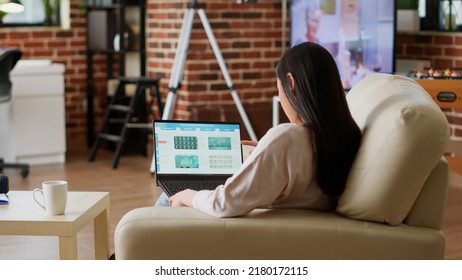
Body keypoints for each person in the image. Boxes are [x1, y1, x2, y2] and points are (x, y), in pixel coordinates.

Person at [157, 42, 362, 218]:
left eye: (278, 88)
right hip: (302, 228)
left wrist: (188, 195)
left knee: (168, 196)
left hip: (248, 229)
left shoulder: (287, 138)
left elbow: (224, 203)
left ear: (290, 83)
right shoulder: (347, 136)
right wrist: (265, 151)